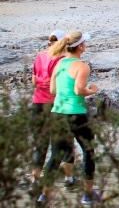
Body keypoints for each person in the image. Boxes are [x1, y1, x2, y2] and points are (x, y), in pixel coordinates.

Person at [44, 31, 101, 206]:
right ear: (81, 46)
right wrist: (92, 90)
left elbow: (53, 90)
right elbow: (78, 90)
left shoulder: (59, 64)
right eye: (85, 43)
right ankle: (87, 195)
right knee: (88, 152)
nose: (86, 46)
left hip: (58, 113)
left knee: (55, 156)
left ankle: (44, 195)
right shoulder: (82, 66)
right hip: (76, 113)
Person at [29, 30, 63, 193]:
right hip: (54, 104)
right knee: (58, 144)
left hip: (37, 103)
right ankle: (49, 182)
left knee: (40, 144)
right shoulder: (62, 60)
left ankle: (34, 179)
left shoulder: (39, 56)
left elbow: (34, 80)